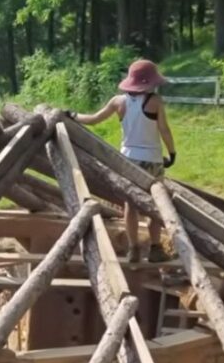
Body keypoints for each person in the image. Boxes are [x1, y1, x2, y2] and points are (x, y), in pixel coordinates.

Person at [67, 59, 177, 263]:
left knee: (131, 205)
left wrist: (73, 115)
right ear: (150, 82)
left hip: (127, 159)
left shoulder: (118, 102)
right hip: (152, 159)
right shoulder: (154, 102)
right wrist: (172, 153)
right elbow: (164, 129)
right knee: (155, 204)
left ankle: (133, 248)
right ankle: (154, 247)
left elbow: (93, 119)